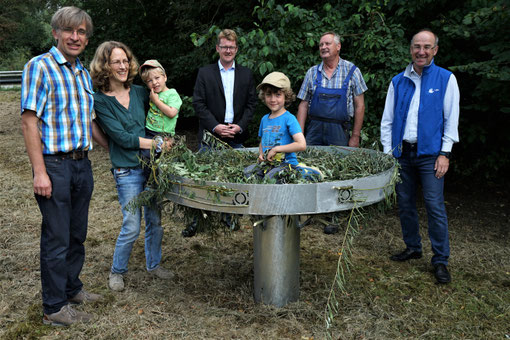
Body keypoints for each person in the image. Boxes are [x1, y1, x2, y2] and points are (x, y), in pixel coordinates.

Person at [20, 6, 107, 326]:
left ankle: (72, 288)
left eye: (82, 32)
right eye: (69, 30)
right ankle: (54, 308)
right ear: (55, 32)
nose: (75, 37)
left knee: (76, 234)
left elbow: (90, 121)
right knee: (57, 237)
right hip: (54, 166)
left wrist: (114, 147)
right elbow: (29, 122)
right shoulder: (39, 67)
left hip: (82, 165)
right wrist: (40, 172)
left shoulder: (82, 72)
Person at [90, 41, 174, 292]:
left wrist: (166, 137)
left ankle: (154, 264)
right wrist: (157, 143)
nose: (123, 65)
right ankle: (117, 271)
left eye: (125, 60)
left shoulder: (140, 92)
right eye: (116, 61)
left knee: (155, 220)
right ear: (105, 66)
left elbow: (162, 117)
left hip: (151, 168)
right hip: (126, 170)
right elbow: (122, 138)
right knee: (131, 224)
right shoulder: (101, 101)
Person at [380, 29, 460, 284]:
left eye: (427, 47)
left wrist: (445, 153)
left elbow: (451, 121)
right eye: (417, 46)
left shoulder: (446, 79)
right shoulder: (398, 81)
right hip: (402, 154)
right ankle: (413, 247)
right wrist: (388, 155)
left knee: (435, 207)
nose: (421, 51)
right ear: (411, 49)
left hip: (430, 156)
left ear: (435, 50)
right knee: (404, 204)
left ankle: (440, 260)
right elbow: (387, 121)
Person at [183, 28, 257, 237]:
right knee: (203, 179)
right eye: (224, 46)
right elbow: (198, 103)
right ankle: (197, 219)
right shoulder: (205, 73)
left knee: (235, 178)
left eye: (231, 47)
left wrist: (240, 125)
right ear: (217, 48)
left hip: (236, 135)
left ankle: (229, 217)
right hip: (210, 135)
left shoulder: (246, 74)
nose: (228, 50)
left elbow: (251, 104)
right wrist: (215, 126)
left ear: (236, 49)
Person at [296, 31, 368, 234]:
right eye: (320, 44)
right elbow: (303, 104)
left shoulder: (352, 71)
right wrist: (299, 135)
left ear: (338, 47)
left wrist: (355, 136)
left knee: (337, 172)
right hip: (315, 128)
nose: (323, 47)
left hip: (339, 129)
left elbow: (359, 105)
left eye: (327, 43)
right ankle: (307, 211)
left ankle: (333, 215)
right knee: (308, 167)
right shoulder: (312, 72)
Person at [245, 72, 322, 182]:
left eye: (277, 95)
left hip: (287, 164)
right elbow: (263, 140)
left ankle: (304, 172)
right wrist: (261, 154)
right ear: (263, 96)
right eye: (268, 94)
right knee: (248, 172)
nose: (273, 99)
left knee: (270, 178)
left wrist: (277, 149)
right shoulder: (264, 119)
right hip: (269, 164)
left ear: (286, 96)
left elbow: (301, 145)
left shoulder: (289, 119)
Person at [139, 59, 182, 175]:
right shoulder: (153, 94)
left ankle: (158, 179)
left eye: (157, 78)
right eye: (149, 81)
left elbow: (172, 113)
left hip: (164, 134)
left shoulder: (172, 93)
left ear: (165, 77)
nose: (154, 82)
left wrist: (156, 101)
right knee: (145, 157)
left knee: (162, 158)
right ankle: (149, 180)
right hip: (149, 131)